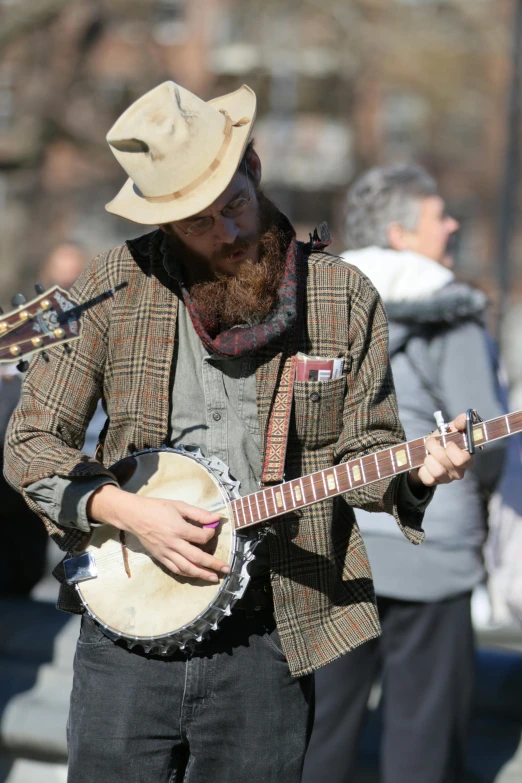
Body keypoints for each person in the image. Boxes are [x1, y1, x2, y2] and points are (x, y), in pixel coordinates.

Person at [5, 85, 473, 783]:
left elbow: (365, 449)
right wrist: (131, 512)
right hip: (125, 636)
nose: (226, 232)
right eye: (197, 223)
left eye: (234, 205)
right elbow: (30, 443)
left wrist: (418, 472)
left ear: (252, 165)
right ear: (165, 223)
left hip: (271, 632)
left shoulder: (343, 298)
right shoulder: (112, 288)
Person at [302, 164, 506, 783]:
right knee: (423, 740)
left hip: (332, 545)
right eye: (438, 215)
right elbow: (486, 435)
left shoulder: (318, 302)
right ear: (398, 231)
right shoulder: (449, 308)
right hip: (431, 551)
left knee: (318, 737)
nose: (453, 224)